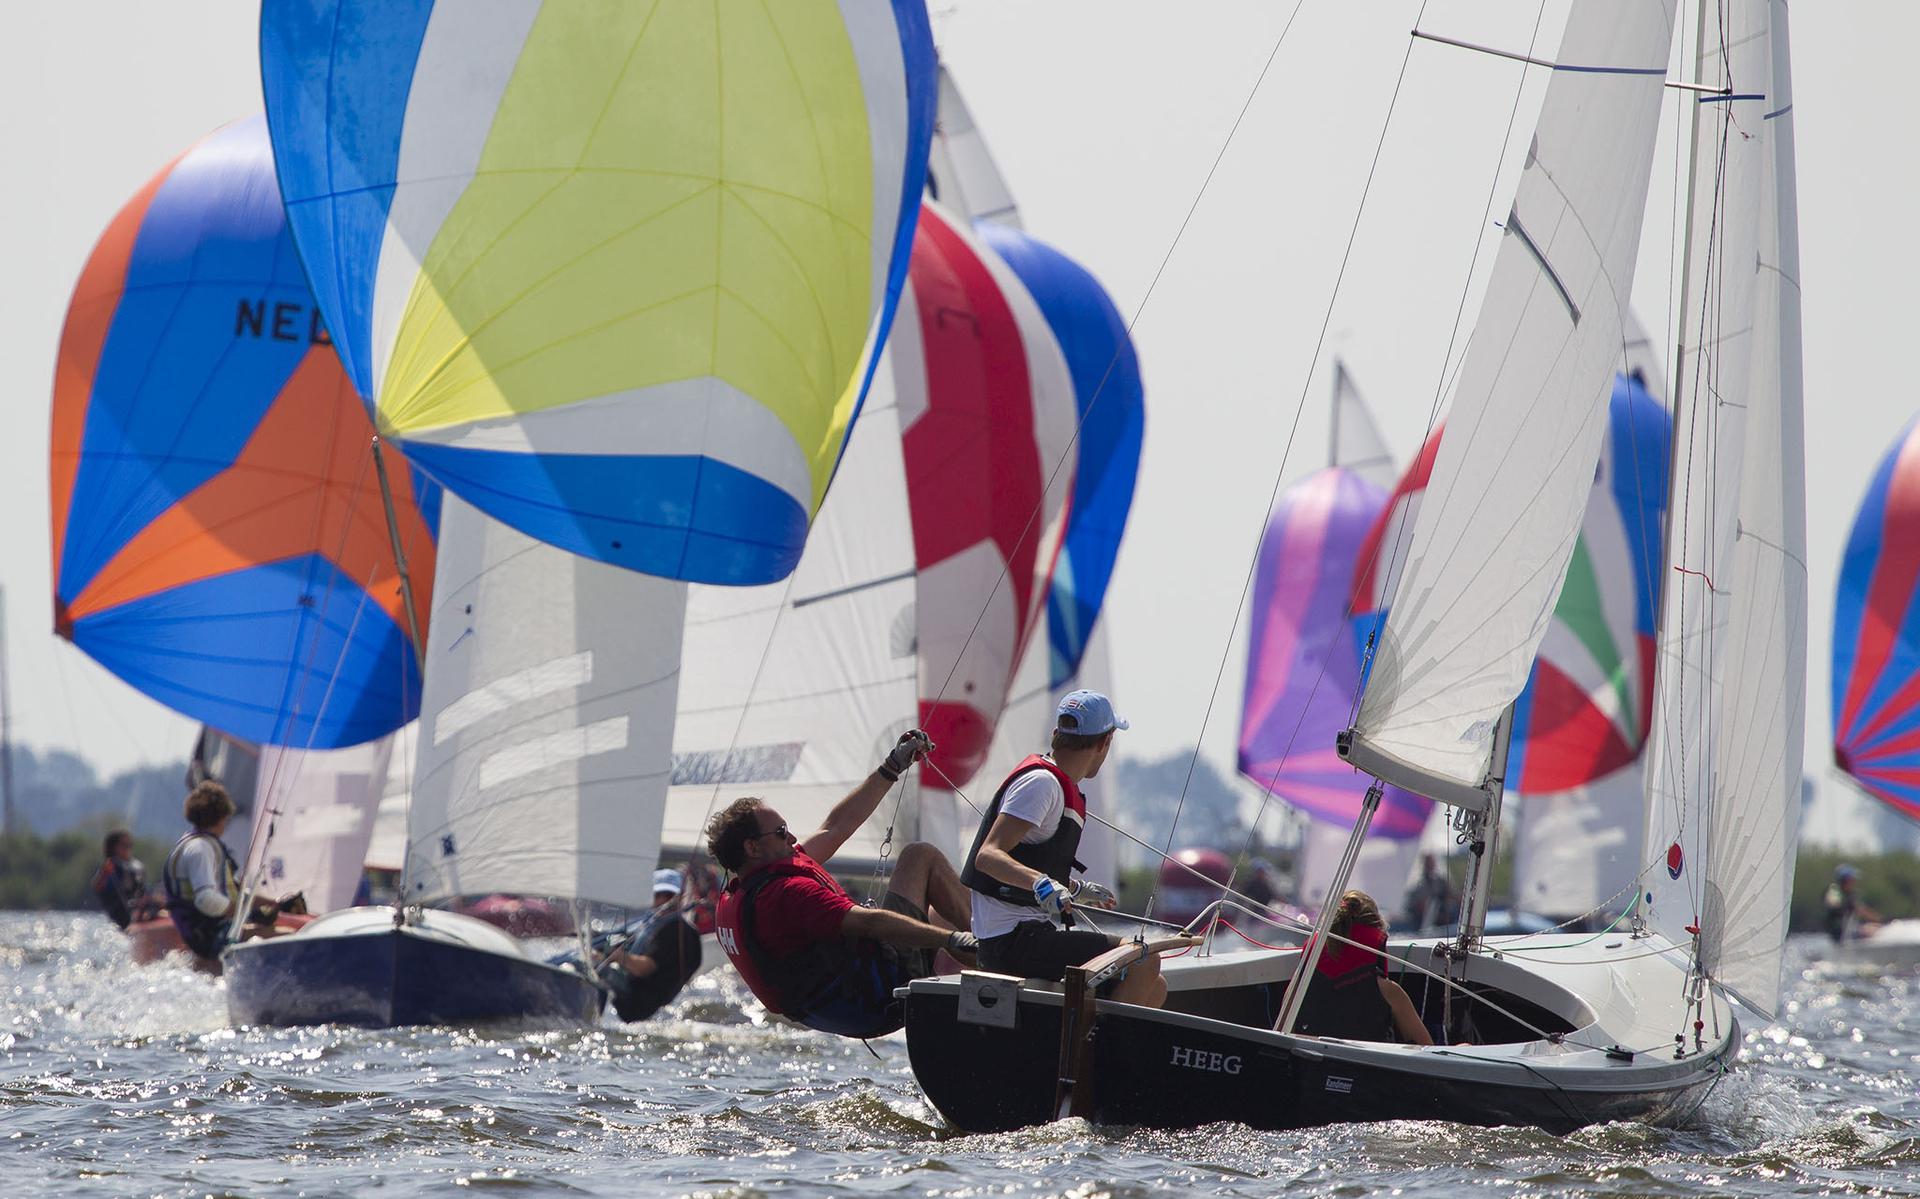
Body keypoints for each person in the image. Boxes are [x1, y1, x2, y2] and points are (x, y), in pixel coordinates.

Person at [710, 730, 978, 1038]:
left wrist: (891, 767)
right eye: (782, 831)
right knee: (919, 857)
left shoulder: (747, 890)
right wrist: (951, 939)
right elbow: (869, 924)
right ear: (752, 848)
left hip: (856, 1005)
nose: (793, 838)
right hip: (878, 995)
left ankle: (985, 968)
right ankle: (1005, 954)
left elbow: (835, 827)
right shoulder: (786, 896)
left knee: (941, 911)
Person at [959, 689, 1167, 1008]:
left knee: (1156, 986)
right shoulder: (1042, 785)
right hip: (1011, 941)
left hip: (1026, 936)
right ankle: (1096, 1050)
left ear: (1058, 734)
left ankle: (1096, 1045)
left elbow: (1025, 860)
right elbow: (988, 856)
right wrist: (1042, 884)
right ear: (1104, 743)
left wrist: (1073, 887)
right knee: (1142, 960)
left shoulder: (1053, 784)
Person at [161, 781, 279, 967]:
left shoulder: (201, 845)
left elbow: (232, 895)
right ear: (222, 816)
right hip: (211, 936)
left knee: (279, 928)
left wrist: (272, 904)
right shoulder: (200, 849)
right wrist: (246, 913)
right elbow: (206, 900)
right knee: (290, 934)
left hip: (216, 931)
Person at [1293, 890, 1433, 1045]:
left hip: (1314, 1063)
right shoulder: (1389, 991)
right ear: (1375, 928)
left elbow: (1282, 1030)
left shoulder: (1300, 985)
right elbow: (1427, 1049)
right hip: (1371, 1066)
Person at [607, 868, 705, 1023]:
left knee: (594, 971)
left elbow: (645, 968)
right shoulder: (652, 924)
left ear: (679, 897)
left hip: (638, 1005)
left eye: (668, 895)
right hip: (640, 1005)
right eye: (658, 895)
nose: (663, 900)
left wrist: (617, 957)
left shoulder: (675, 929)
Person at [91, 828, 158, 930]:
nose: (128, 848)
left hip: (141, 910)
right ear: (113, 847)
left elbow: (142, 891)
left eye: (130, 845)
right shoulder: (109, 868)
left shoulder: (135, 867)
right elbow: (97, 886)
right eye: (124, 845)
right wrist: (104, 873)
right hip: (123, 917)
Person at [1824, 864, 1883, 943]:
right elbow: (1833, 903)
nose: (1854, 882)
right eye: (1852, 879)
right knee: (1871, 931)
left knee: (1877, 927)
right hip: (1841, 932)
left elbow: (1862, 910)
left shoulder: (1851, 895)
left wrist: (1881, 919)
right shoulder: (1834, 891)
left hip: (1850, 929)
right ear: (1846, 880)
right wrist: (1846, 906)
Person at [1402, 853, 1457, 930]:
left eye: (1431, 863)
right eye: (1428, 863)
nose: (1430, 865)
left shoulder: (1441, 881)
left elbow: (1450, 894)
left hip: (1441, 914)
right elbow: (1412, 902)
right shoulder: (1417, 882)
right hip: (1421, 919)